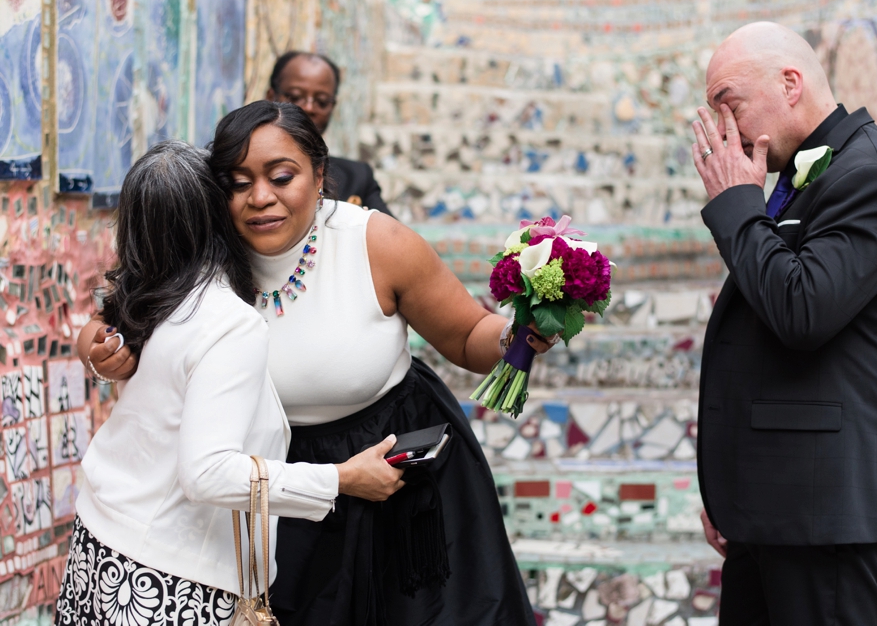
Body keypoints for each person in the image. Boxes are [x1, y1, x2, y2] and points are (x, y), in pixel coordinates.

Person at [80, 102, 554, 626]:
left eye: (282, 177)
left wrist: (518, 333)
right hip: (277, 488)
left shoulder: (377, 242)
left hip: (397, 478)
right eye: (238, 183)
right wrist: (103, 351)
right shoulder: (202, 250)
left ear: (320, 174)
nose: (261, 198)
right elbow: (116, 315)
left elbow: (467, 334)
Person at [61, 141, 402, 626]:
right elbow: (207, 474)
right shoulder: (226, 322)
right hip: (168, 583)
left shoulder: (149, 297)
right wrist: (342, 479)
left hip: (97, 548)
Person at [690, 22, 877, 625]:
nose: (724, 128)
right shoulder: (805, 177)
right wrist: (730, 491)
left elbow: (802, 312)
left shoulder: (871, 175)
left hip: (821, 512)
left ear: (790, 84)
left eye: (729, 103)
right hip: (767, 505)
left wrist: (737, 208)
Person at [267, 51, 392, 215]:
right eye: (296, 97)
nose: (309, 108)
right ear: (271, 97)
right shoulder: (239, 169)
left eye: (322, 101)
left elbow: (398, 237)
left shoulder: (357, 177)